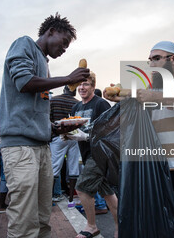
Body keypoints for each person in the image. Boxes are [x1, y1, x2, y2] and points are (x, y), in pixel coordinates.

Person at [104, 41, 174, 238]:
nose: (151, 64)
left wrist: (153, 96)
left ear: (173, 59)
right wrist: (119, 97)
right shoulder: (150, 87)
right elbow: (138, 105)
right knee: (165, 228)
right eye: (150, 60)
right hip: (159, 171)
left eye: (156, 58)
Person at [0, 13, 90, 238]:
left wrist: (56, 128)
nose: (64, 49)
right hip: (21, 148)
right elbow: (24, 82)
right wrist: (68, 79)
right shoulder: (24, 44)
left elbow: (34, 109)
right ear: (51, 32)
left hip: (41, 147)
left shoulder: (44, 63)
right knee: (24, 220)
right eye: (64, 42)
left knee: (41, 217)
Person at [68, 72, 118, 238]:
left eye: (86, 84)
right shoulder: (76, 107)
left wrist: (87, 136)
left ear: (93, 86)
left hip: (100, 154)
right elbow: (73, 128)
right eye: (79, 84)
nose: (82, 87)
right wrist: (67, 132)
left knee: (82, 188)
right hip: (86, 152)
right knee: (108, 193)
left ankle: (91, 226)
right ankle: (121, 227)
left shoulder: (101, 104)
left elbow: (110, 130)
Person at [50, 85, 81, 208]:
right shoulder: (78, 103)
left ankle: (49, 199)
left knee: (54, 168)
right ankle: (71, 200)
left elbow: (48, 119)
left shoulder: (54, 100)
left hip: (58, 137)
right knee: (73, 168)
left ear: (64, 90)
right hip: (74, 137)